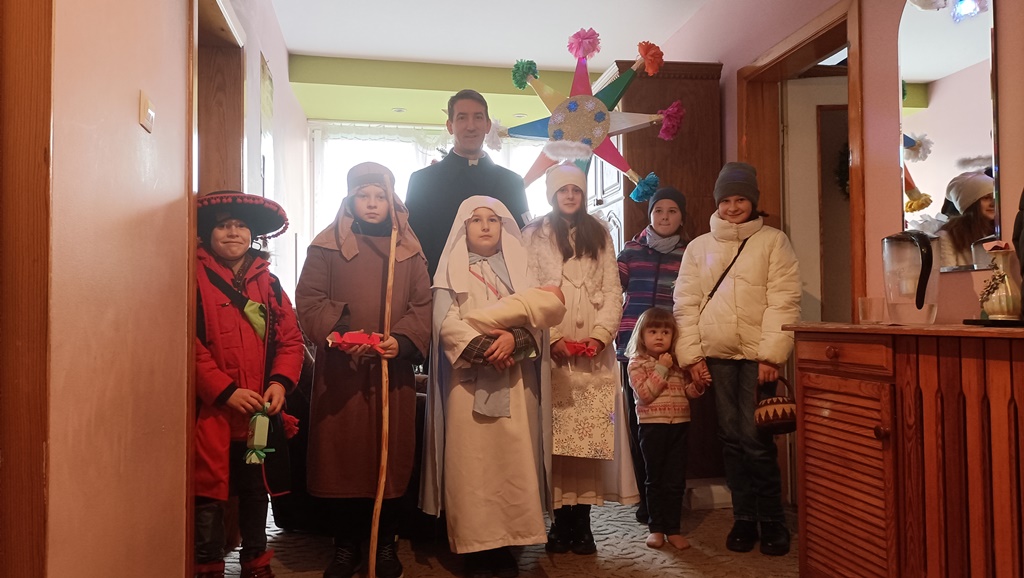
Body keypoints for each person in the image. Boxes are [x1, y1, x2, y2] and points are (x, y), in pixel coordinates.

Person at [294, 162, 432, 578]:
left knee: (387, 456)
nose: (372, 203)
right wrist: (341, 330)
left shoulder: (408, 251)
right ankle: (345, 545)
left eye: (380, 196)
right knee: (344, 459)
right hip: (342, 373)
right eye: (363, 195)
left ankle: (385, 542)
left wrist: (402, 340)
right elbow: (309, 299)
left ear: (392, 201)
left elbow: (423, 306)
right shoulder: (326, 247)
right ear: (350, 199)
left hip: (391, 374)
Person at [422, 196, 566, 578]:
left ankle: (508, 545)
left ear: (504, 227)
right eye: (476, 220)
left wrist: (514, 341)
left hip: (516, 383)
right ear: (463, 229)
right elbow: (445, 324)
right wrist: (485, 349)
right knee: (472, 466)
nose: (485, 226)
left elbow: (539, 323)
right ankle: (475, 547)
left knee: (512, 463)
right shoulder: (449, 274)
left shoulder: (522, 274)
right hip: (467, 386)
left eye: (493, 219)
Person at [673, 162, 801, 557]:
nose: (732, 207)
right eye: (725, 200)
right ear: (717, 203)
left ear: (753, 202)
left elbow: (784, 300)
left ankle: (772, 520)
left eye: (740, 199)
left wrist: (772, 355)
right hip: (716, 355)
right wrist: (692, 357)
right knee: (730, 438)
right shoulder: (698, 247)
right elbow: (685, 304)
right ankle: (744, 518)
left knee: (756, 438)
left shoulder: (773, 241)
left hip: (758, 357)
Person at [521, 164, 638, 556]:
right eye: (563, 190)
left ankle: (583, 523)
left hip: (593, 355)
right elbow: (529, 290)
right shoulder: (534, 233)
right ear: (552, 195)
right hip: (553, 348)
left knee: (589, 437)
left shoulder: (599, 232)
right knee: (557, 436)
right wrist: (552, 337)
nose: (570, 196)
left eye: (576, 190)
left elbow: (612, 288)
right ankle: (559, 522)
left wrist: (601, 335)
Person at [194, 192, 305, 578]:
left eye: (241, 225)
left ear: (253, 234)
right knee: (207, 490)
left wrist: (279, 384)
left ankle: (256, 563)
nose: (232, 232)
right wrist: (225, 391)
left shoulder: (270, 284)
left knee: (257, 488)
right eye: (223, 225)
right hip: (212, 412)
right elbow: (186, 344)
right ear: (208, 233)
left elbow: (291, 341)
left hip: (259, 410)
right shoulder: (192, 279)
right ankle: (207, 566)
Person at [615, 186, 689, 523]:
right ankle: (646, 498)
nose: (665, 217)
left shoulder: (689, 253)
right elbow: (610, 288)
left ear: (681, 217)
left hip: (672, 349)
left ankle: (668, 502)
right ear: (650, 215)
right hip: (633, 347)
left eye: (672, 211)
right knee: (639, 426)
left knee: (672, 426)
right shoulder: (631, 250)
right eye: (659, 211)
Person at [406, 89, 531, 277]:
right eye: (462, 118)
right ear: (450, 126)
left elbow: (522, 242)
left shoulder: (511, 183)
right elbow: (414, 249)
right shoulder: (423, 182)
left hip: (503, 289)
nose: (471, 126)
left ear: (487, 125)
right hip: (439, 287)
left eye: (478, 118)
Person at [625, 307, 705, 550]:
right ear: (642, 335)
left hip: (679, 425)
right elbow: (645, 394)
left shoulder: (677, 364)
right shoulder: (636, 364)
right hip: (652, 428)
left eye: (665, 332)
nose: (659, 337)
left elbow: (686, 392)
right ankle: (656, 527)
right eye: (653, 331)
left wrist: (698, 385)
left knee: (675, 480)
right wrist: (661, 368)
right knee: (655, 479)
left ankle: (673, 528)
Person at [938, 171, 996, 267]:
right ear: (971, 205)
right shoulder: (947, 237)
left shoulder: (1002, 232)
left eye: (995, 197)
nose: (993, 204)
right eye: (986, 198)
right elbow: (947, 273)